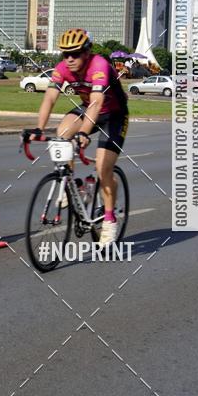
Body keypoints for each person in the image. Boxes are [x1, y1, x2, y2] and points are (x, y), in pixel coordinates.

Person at [24, 28, 129, 247]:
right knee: (62, 134)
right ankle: (70, 183)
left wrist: (83, 132)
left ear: (87, 52)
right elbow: (50, 98)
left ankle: (109, 220)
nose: (69, 59)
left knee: (103, 168)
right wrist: (39, 128)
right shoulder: (62, 68)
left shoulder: (99, 65)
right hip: (87, 109)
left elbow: (97, 103)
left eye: (75, 53)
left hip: (114, 115)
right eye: (65, 54)